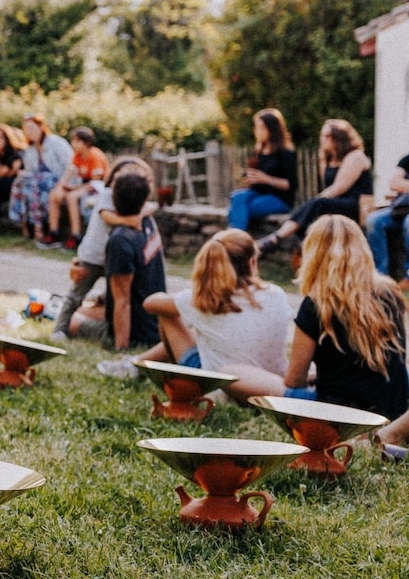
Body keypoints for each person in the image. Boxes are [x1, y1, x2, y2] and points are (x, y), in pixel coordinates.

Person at [136, 230, 294, 401]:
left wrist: (196, 292)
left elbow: (150, 304)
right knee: (207, 329)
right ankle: (137, 363)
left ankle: (155, 372)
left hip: (216, 388)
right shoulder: (277, 294)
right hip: (268, 384)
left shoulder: (203, 300)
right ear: (252, 262)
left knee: (167, 314)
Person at [283, 216, 409, 422]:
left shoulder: (316, 304)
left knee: (267, 387)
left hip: (340, 414)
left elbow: (294, 380)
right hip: (391, 410)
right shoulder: (390, 292)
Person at [51, 156, 152, 341]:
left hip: (112, 258)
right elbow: (107, 216)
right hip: (92, 256)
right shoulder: (107, 195)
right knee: (76, 294)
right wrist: (127, 220)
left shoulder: (136, 201)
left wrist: (141, 214)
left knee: (114, 295)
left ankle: (106, 320)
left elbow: (151, 207)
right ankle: (60, 329)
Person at [74, 172, 166, 359]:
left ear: (113, 200)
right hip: (155, 320)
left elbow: (122, 302)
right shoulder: (147, 223)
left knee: (73, 318)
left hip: (138, 331)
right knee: (87, 308)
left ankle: (119, 341)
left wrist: (121, 350)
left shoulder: (120, 241)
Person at [256, 119, 372, 254]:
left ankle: (276, 238)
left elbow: (339, 187)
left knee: (316, 204)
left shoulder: (355, 156)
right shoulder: (329, 159)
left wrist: (315, 201)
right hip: (336, 202)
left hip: (356, 204)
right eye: (322, 135)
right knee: (314, 206)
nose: (322, 139)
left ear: (340, 137)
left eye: (327, 136)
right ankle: (284, 241)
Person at [226, 108, 297, 230]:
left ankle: (236, 240)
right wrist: (250, 180)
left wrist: (267, 179)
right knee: (237, 197)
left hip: (279, 198)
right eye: (256, 127)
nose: (257, 131)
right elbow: (258, 180)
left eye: (261, 127)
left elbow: (291, 185)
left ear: (272, 129)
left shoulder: (285, 153)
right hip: (259, 193)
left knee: (241, 208)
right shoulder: (260, 151)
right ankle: (237, 238)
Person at [10, 113, 73, 247]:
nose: (29, 132)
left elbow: (71, 166)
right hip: (39, 183)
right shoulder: (30, 149)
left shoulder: (56, 142)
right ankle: (25, 225)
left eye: (32, 128)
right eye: (26, 129)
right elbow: (32, 171)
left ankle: (39, 229)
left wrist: (63, 185)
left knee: (35, 182)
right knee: (19, 183)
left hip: (60, 180)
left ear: (41, 127)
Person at [49, 126, 108, 250]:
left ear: (86, 143)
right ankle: (53, 233)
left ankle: (76, 235)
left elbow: (95, 182)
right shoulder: (78, 155)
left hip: (97, 187)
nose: (73, 144)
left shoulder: (95, 156)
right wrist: (60, 188)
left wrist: (74, 188)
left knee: (72, 197)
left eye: (77, 141)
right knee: (54, 194)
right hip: (84, 185)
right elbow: (69, 172)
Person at [365, 151, 409, 279]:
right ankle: (381, 274)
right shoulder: (407, 160)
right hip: (401, 208)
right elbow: (394, 183)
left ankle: (408, 274)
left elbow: (400, 184)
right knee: (373, 220)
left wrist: (404, 185)